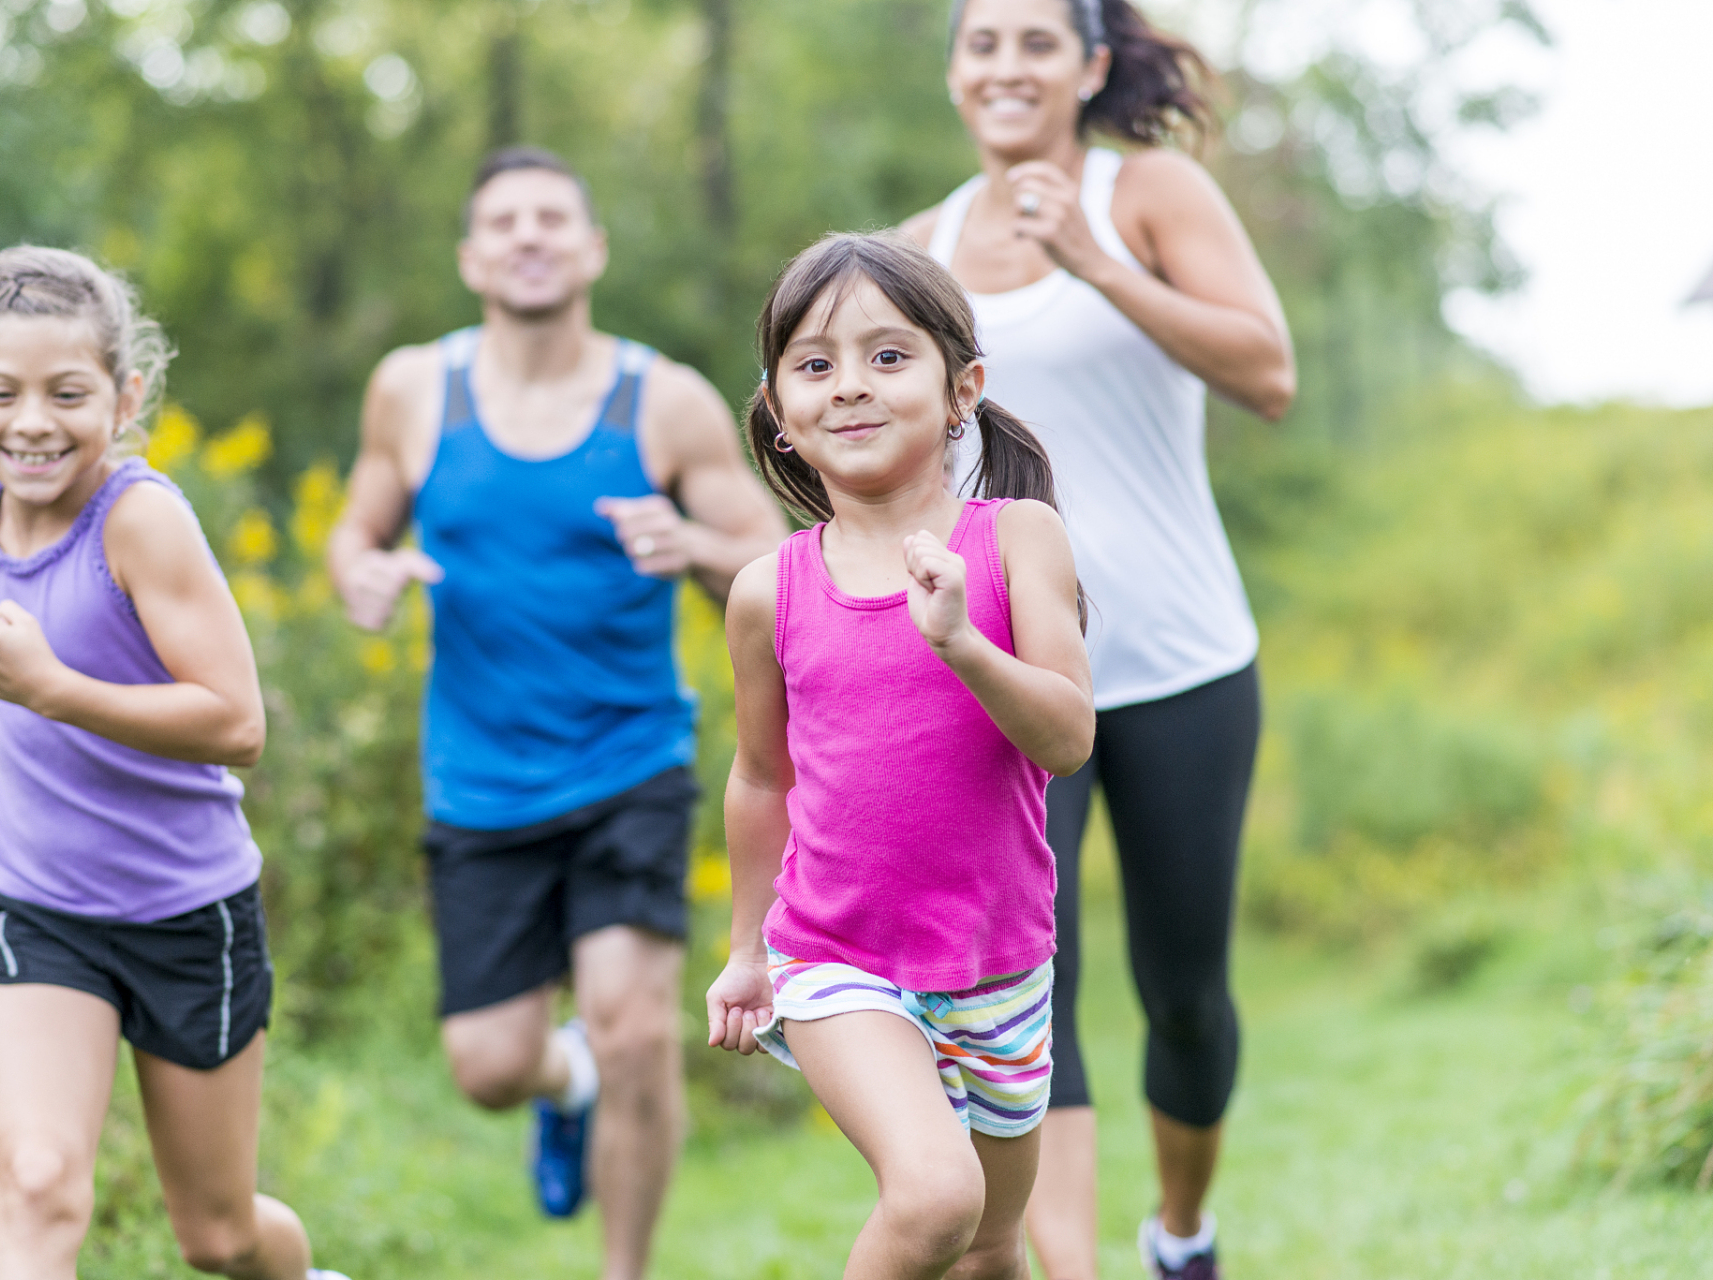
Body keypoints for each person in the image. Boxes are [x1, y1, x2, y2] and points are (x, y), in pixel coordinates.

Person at [326, 148, 786, 1279]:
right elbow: (353, 534)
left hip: (631, 760)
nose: (528, 236)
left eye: (551, 219)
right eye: (504, 221)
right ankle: (560, 1080)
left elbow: (777, 568)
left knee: (636, 1029)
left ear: (592, 250)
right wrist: (363, 577)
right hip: (478, 778)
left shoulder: (662, 399)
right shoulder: (413, 389)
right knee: (488, 1063)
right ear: (472, 255)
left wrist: (696, 550)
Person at [902, 2, 1298, 1277]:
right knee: (1032, 992)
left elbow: (1267, 372)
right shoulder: (920, 248)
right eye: (981, 42)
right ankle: (1065, 1263)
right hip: (1017, 676)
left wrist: (1095, 261)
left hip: (1183, 658)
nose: (1004, 65)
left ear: (1088, 65)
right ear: (954, 72)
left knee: (1183, 988)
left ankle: (1181, 1231)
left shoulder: (1148, 192)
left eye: (1034, 41)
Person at [0, 247, 345, 1280]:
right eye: (0, 392)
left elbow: (235, 720)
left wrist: (50, 689)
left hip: (187, 913)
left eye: (68, 393)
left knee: (219, 1234)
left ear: (126, 393)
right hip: (42, 909)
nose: (32, 423)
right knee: (40, 1180)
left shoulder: (140, 520)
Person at [706, 231, 1096, 1280]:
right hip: (836, 956)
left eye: (888, 355)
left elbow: (1065, 736)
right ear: (780, 415)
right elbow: (760, 777)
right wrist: (748, 949)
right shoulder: (767, 590)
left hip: (999, 960)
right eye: (815, 364)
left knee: (990, 1245)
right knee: (932, 1195)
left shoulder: (1017, 540)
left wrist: (964, 644)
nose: (849, 387)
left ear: (959, 385)